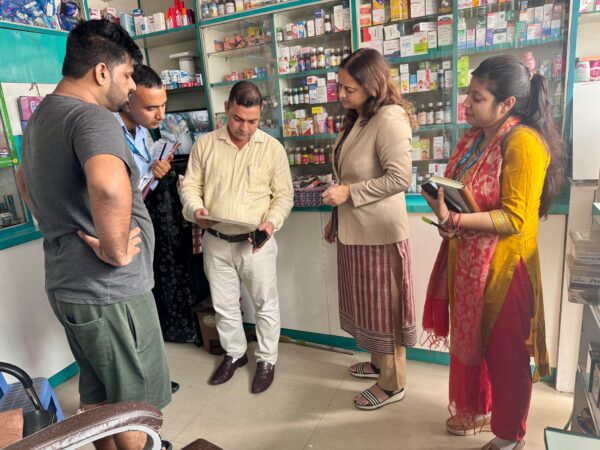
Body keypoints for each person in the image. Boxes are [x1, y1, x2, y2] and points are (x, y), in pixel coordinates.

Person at [16, 20, 171, 450]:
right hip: (111, 292)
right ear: (102, 72)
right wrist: (116, 248)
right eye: (127, 75)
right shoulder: (93, 117)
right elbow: (108, 186)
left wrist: (58, 223)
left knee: (98, 397)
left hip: (69, 285)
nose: (131, 87)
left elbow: (23, 180)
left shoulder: (41, 117)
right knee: (135, 406)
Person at [422, 55, 564, 450]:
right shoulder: (475, 138)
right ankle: (482, 410)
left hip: (505, 269)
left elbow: (514, 218)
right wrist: (446, 216)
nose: (466, 103)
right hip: (470, 261)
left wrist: (456, 220)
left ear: (507, 105)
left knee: (506, 356)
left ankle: (509, 437)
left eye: (478, 97)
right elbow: (463, 196)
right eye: (468, 93)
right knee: (478, 345)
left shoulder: (523, 143)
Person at [179, 81, 293, 394]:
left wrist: (270, 224)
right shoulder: (205, 144)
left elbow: (284, 196)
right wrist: (196, 209)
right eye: (238, 119)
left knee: (265, 304)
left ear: (261, 115)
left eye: (252, 121)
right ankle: (235, 354)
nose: (244, 128)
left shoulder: (271, 148)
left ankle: (266, 359)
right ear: (226, 109)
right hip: (216, 240)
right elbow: (190, 187)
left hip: (256, 243)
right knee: (224, 305)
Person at [321, 48, 416, 410]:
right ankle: (378, 363)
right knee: (368, 307)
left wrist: (349, 194)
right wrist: (336, 218)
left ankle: (393, 384)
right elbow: (348, 173)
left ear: (372, 86)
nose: (342, 95)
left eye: (350, 89)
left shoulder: (390, 118)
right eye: (340, 86)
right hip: (356, 230)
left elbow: (399, 178)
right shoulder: (361, 117)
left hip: (380, 235)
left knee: (384, 310)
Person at [116, 64, 181, 395]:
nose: (160, 115)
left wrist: (159, 173)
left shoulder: (144, 132)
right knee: (131, 308)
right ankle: (139, 384)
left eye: (163, 105)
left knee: (147, 301)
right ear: (128, 101)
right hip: (120, 228)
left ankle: (151, 379)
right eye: (151, 107)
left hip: (144, 219)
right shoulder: (107, 131)